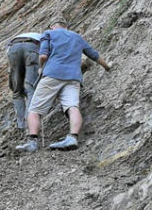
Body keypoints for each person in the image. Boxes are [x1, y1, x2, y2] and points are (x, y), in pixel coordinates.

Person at [16, 16, 112, 152]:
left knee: (35, 109)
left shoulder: (48, 34)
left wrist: (41, 68)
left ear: (52, 26)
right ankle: (72, 137)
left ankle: (32, 142)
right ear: (66, 26)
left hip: (53, 75)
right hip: (74, 77)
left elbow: (43, 55)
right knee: (72, 106)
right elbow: (93, 55)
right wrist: (107, 67)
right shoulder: (77, 37)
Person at [6, 32, 42, 129]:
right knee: (30, 90)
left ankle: (21, 124)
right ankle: (29, 121)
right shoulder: (43, 38)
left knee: (17, 92)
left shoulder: (19, 36)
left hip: (13, 48)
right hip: (32, 47)